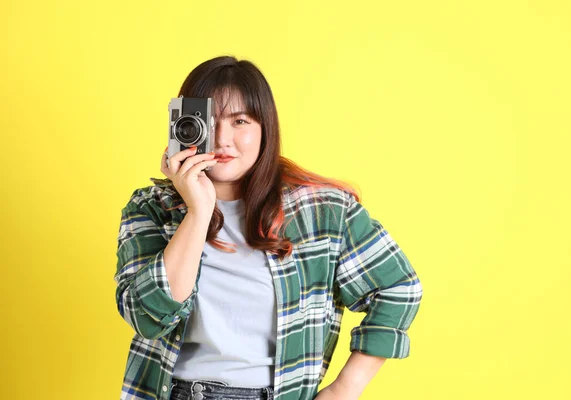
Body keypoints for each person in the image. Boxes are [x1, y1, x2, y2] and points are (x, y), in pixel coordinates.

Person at [114, 56, 423, 400]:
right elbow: (148, 318)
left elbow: (398, 288)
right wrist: (198, 213)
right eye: (208, 121)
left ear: (266, 128)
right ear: (183, 124)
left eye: (240, 121)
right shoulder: (152, 208)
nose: (222, 139)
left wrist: (344, 389)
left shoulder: (322, 212)